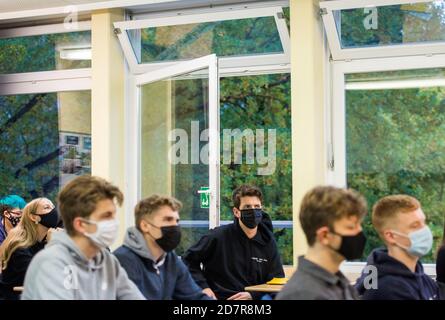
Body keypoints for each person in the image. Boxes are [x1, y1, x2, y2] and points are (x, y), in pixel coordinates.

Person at [21, 175, 145, 300]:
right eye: (106, 216)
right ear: (80, 224)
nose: (114, 222)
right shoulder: (51, 263)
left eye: (113, 215)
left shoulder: (106, 261)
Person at [183, 185, 284, 300]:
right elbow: (188, 260)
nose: (253, 210)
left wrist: (253, 295)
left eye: (257, 206)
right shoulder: (218, 236)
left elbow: (277, 279)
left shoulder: (268, 241)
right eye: (247, 207)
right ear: (236, 212)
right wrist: (203, 287)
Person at [114, 194, 212, 300]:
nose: (175, 226)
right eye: (168, 219)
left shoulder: (170, 259)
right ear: (145, 226)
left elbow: (195, 296)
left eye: (177, 221)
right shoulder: (123, 260)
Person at [276, 186, 367, 300]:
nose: (359, 232)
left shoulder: (339, 282)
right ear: (324, 235)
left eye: (359, 225)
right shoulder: (301, 294)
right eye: (351, 227)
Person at [355, 195, 442, 300]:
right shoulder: (387, 290)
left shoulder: (421, 277)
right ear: (391, 236)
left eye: (423, 222)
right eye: (415, 225)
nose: (424, 230)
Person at [0, 197, 59, 300]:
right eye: (47, 207)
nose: (53, 211)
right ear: (33, 217)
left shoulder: (42, 243)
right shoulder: (19, 248)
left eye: (53, 206)